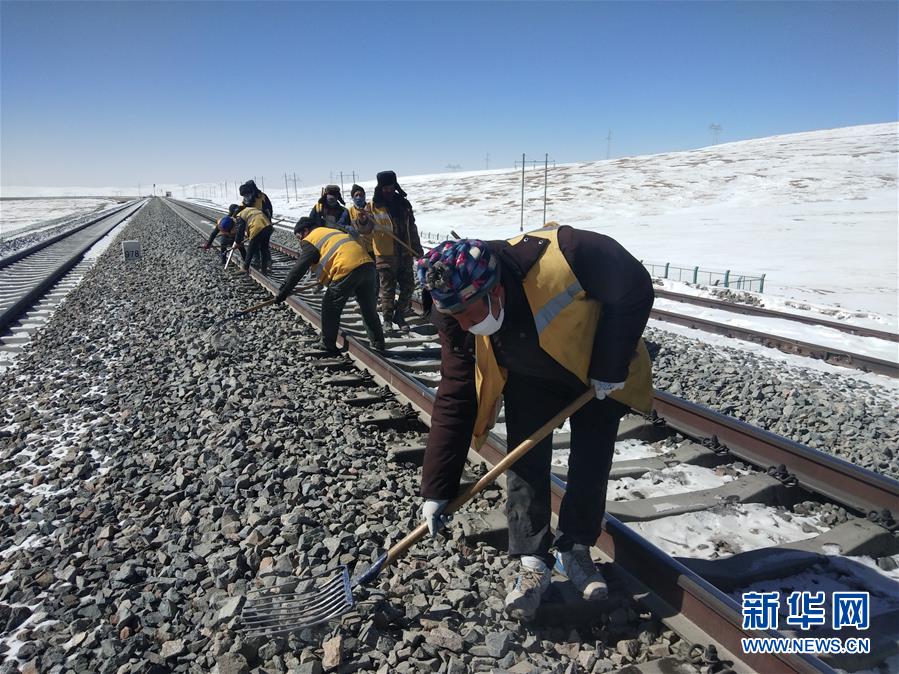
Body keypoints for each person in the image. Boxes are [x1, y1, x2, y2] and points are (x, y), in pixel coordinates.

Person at [415, 225, 654, 621]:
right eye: (454, 316)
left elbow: (635, 286)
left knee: (591, 461)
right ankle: (533, 563)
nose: (463, 324)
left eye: (468, 314)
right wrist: (437, 488)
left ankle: (576, 550)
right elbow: (456, 392)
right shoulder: (454, 306)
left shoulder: (570, 253)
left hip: (595, 369)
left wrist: (610, 365)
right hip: (530, 375)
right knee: (525, 463)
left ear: (495, 290)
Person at [274, 216, 385, 353]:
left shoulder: (311, 239)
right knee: (368, 309)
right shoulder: (331, 231)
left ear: (306, 230)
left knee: (330, 306)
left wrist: (284, 291)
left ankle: (328, 344)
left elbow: (299, 268)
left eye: (299, 236)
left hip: (346, 268)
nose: (299, 240)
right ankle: (378, 343)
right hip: (368, 267)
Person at [369, 170, 423, 331]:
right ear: (380, 187)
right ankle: (387, 320)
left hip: (405, 253)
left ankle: (399, 315)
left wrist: (417, 248)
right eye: (384, 187)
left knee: (409, 287)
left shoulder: (404, 204)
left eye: (390, 187)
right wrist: (363, 221)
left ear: (395, 186)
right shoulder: (373, 206)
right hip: (385, 255)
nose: (388, 190)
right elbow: (364, 230)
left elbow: (412, 228)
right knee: (388, 289)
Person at [234, 205, 273, 274]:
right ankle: (264, 269)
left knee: (251, 248)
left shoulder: (240, 215)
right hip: (268, 226)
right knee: (264, 249)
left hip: (257, 228)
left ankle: (245, 268)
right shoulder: (251, 209)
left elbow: (240, 231)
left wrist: (237, 242)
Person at [347, 184, 375, 255]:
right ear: (352, 198)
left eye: (361, 195)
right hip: (358, 248)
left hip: (373, 247)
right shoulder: (349, 211)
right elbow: (343, 224)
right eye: (356, 195)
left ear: (364, 196)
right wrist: (348, 228)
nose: (359, 197)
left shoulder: (371, 208)